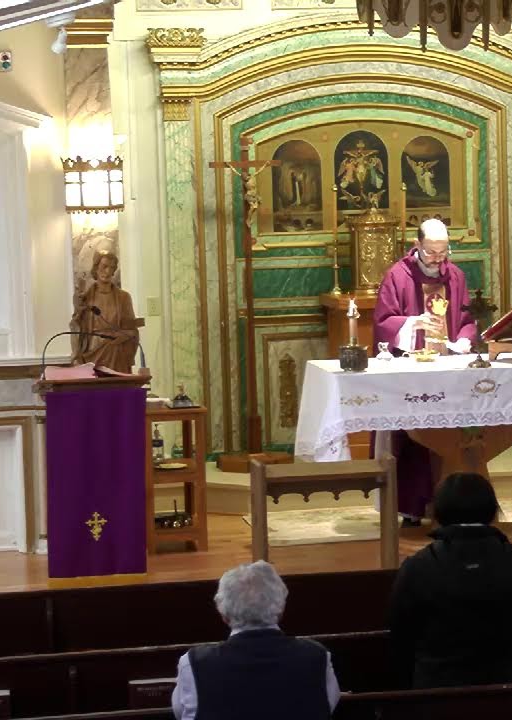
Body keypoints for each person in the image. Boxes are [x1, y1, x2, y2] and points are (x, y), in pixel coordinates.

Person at [372, 218, 478, 525]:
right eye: (431, 252)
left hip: (448, 366)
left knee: (453, 435)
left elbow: (467, 317)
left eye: (443, 252)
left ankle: (455, 506)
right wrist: (411, 323)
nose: (437, 259)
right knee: (415, 438)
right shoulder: (398, 275)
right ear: (417, 246)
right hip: (411, 368)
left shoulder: (454, 276)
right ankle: (412, 509)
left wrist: (462, 340)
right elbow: (383, 321)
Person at [387, 473, 512, 689]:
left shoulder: (420, 565)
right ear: (492, 509)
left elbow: (400, 625)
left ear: (438, 511)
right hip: (502, 690)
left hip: (435, 690)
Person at [171, 561, 340, 720]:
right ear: (281, 610)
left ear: (224, 615)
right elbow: (326, 707)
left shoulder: (194, 664)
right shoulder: (317, 657)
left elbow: (181, 713)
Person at [70, 251, 140, 373]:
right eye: (104, 266)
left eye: (112, 268)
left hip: (117, 352)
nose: (107, 271)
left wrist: (122, 336)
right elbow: (76, 326)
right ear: (96, 268)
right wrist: (76, 356)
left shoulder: (123, 297)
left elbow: (132, 330)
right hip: (92, 352)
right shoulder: (85, 298)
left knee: (117, 389)